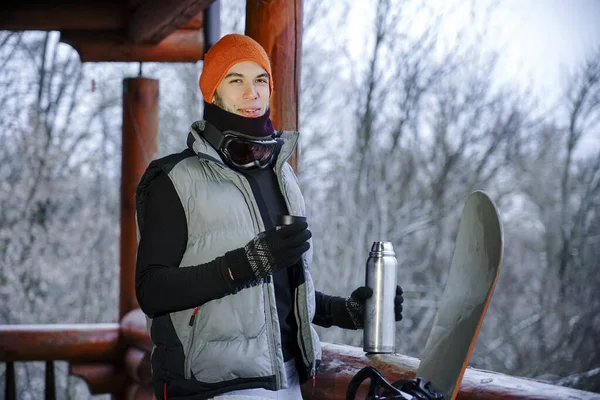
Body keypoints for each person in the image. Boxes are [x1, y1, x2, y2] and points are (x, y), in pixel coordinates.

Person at [135, 33, 404, 400]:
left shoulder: (282, 175)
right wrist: (243, 265)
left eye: (260, 80)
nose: (252, 92)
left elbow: (279, 289)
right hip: (209, 388)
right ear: (213, 92)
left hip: (286, 381)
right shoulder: (176, 179)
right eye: (236, 80)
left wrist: (347, 312)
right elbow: (151, 290)